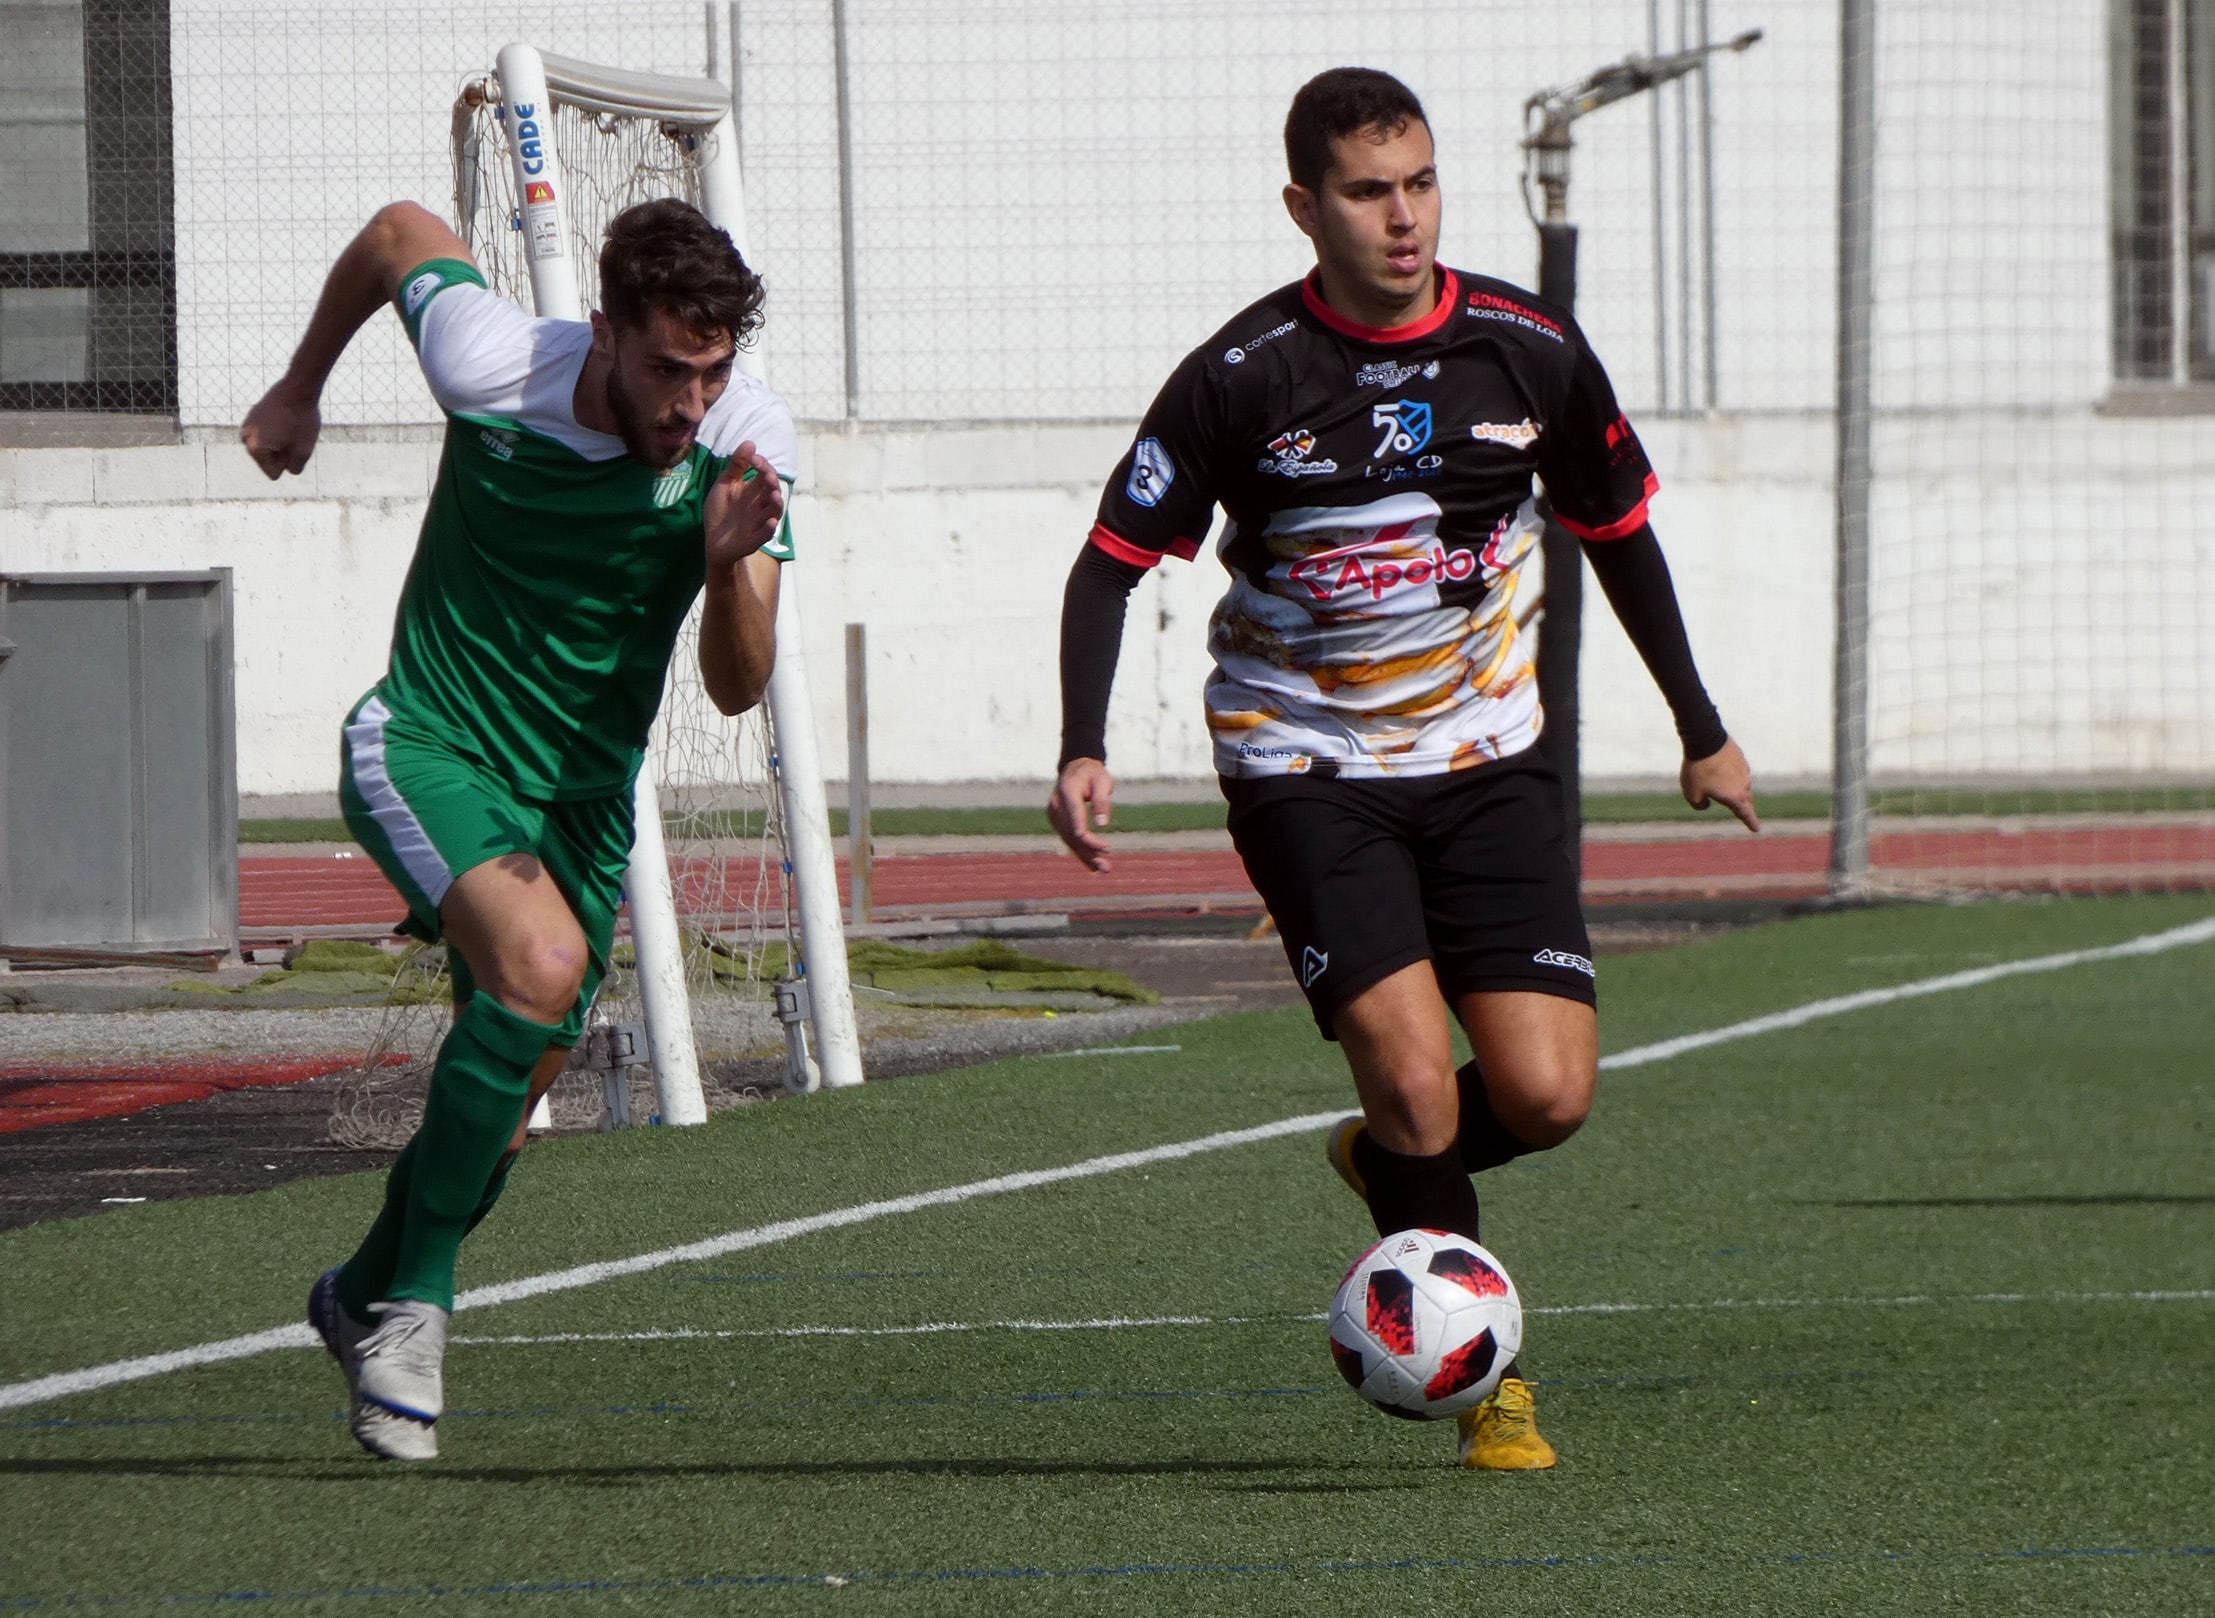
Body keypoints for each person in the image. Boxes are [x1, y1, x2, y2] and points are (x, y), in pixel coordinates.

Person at [1047, 68, 1759, 1471]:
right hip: (1301, 757)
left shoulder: (1527, 349)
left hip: (1489, 756)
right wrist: (1080, 738)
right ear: (1304, 206)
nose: (1403, 217)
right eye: (1368, 192)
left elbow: (1616, 533)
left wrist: (1696, 720)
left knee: (1546, 1096)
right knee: (1418, 1081)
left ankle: (1389, 1172)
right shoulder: (1239, 378)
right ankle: (1487, 1379)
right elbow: (1109, 564)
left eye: (1421, 183)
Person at [241, 197, 795, 1461]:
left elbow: (736, 685)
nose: (686, 403)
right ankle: (417, 1308)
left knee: (510, 1087)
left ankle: (361, 1286)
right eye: (664, 368)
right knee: (543, 971)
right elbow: (396, 236)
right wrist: (298, 386)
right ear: (601, 332)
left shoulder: (745, 450)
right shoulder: (494, 361)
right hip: (428, 743)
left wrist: (722, 567)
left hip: (582, 809)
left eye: (710, 373)